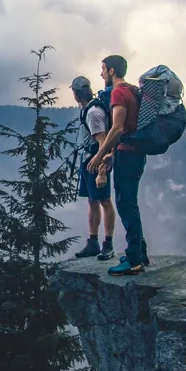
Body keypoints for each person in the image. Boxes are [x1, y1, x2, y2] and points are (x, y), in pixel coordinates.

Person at [87, 55, 149, 276]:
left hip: (127, 156)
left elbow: (118, 128)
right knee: (130, 204)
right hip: (136, 153)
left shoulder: (119, 92)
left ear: (112, 71)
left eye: (103, 69)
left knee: (126, 206)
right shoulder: (133, 90)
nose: (101, 73)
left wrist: (100, 155)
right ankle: (139, 253)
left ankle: (134, 260)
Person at [70, 76, 116, 261]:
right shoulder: (87, 108)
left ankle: (108, 245)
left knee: (105, 201)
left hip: (97, 161)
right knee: (92, 200)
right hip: (89, 160)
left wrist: (102, 172)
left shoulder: (93, 113)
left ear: (76, 93)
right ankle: (93, 242)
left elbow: (103, 143)